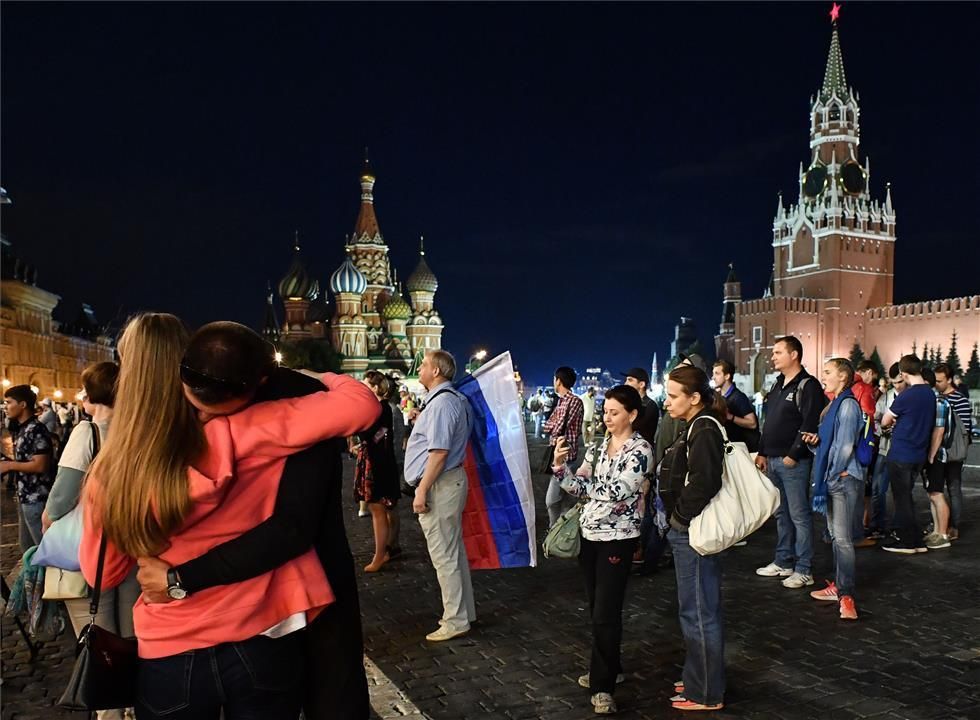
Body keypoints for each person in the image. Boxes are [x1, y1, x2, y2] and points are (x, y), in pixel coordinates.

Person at [80, 315, 379, 719]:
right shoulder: (250, 429)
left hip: (170, 649)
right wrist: (314, 374)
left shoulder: (112, 472)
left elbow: (103, 573)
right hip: (261, 637)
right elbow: (360, 405)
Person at [41, 362, 139, 720]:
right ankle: (134, 702)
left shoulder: (88, 432)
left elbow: (61, 497)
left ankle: (109, 707)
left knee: (98, 628)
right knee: (132, 630)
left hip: (96, 546)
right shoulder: (137, 430)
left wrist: (49, 528)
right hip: (134, 542)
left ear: (90, 395)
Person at [552, 385, 653, 716]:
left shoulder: (640, 450)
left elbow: (621, 490)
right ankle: (611, 666)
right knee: (598, 606)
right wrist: (560, 468)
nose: (607, 418)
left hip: (618, 537)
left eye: (615, 412)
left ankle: (603, 686)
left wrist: (588, 487)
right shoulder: (596, 448)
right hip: (589, 535)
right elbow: (576, 485)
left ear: (632, 415)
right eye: (605, 412)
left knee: (605, 612)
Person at [659, 365, 727, 712]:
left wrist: (679, 519)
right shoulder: (696, 425)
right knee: (695, 608)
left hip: (694, 531)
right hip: (689, 529)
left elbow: (705, 481)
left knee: (699, 611)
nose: (667, 402)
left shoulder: (703, 429)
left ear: (695, 398)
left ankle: (705, 693)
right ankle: (699, 676)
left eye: (673, 396)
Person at [404, 350, 475, 642]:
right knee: (453, 552)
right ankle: (464, 613)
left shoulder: (443, 404)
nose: (419, 369)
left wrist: (421, 490)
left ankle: (455, 620)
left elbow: (439, 453)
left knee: (444, 556)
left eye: (423, 365)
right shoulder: (449, 400)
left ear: (436, 372)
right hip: (448, 482)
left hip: (439, 485)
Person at [754, 336, 825, 589]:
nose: (773, 356)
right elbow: (768, 423)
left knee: (799, 515)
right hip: (772, 460)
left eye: (778, 352)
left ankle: (804, 568)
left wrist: (793, 454)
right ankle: (784, 561)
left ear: (794, 355)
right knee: (781, 514)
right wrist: (762, 452)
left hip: (792, 462)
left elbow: (809, 423)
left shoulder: (808, 385)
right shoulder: (778, 385)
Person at [802, 359, 863, 620]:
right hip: (831, 477)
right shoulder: (833, 405)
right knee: (836, 538)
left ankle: (846, 595)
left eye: (827, 372)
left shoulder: (847, 405)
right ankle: (838, 586)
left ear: (843, 376)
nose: (822, 376)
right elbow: (830, 444)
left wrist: (835, 473)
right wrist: (815, 443)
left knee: (843, 539)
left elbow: (846, 446)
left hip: (842, 478)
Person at [880, 355, 934, 554]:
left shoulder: (907, 395)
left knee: (902, 499)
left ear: (903, 373)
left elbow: (886, 420)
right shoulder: (930, 393)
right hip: (919, 454)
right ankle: (916, 540)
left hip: (901, 453)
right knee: (907, 498)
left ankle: (907, 542)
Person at [355, 370, 402, 572]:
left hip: (378, 464)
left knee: (378, 509)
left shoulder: (379, 408)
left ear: (375, 388)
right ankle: (389, 546)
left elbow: (370, 434)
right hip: (379, 462)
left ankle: (380, 555)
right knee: (385, 508)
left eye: (365, 385)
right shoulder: (383, 408)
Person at [1, 385, 54, 553]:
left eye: (9, 402)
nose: (6, 407)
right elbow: (25, 461)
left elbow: (40, 464)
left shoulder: (36, 429)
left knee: (43, 550)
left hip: (37, 498)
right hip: (25, 496)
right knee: (27, 548)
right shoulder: (22, 428)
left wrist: (9, 465)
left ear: (22, 404)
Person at [543, 367, 585, 526]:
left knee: (551, 500)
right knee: (565, 498)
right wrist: (552, 426)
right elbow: (548, 425)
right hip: (557, 455)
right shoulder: (561, 401)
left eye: (554, 379)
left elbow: (558, 426)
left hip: (566, 455)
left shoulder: (573, 401)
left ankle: (553, 531)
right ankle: (563, 534)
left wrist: (552, 426)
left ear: (558, 380)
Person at [935, 363, 972, 541]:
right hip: (938, 450)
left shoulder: (960, 399)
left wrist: (960, 450)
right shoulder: (936, 397)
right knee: (937, 490)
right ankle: (941, 524)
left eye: (940, 381)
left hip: (953, 452)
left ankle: (954, 526)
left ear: (949, 380)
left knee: (953, 489)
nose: (937, 384)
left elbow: (966, 429)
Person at [868, 364, 903, 538]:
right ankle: (878, 525)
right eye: (894, 382)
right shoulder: (886, 398)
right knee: (877, 489)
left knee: (901, 491)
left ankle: (898, 526)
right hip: (884, 448)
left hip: (903, 452)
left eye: (901, 381)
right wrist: (884, 428)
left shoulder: (911, 396)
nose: (898, 386)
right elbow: (876, 419)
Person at [920, 368, 953, 550]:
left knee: (937, 494)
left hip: (937, 455)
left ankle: (943, 534)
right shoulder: (934, 400)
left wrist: (932, 455)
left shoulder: (938, 401)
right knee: (932, 494)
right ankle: (937, 531)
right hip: (933, 454)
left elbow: (939, 430)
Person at [711, 359, 758, 452]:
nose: (713, 377)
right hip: (729, 450)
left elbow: (752, 423)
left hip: (742, 451)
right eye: (713, 374)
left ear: (727, 376)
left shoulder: (738, 397)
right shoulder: (719, 397)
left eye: (717, 373)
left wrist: (731, 417)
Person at [623, 368, 660, 447]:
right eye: (626, 380)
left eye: (630, 380)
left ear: (641, 384)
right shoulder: (629, 403)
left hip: (642, 451)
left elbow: (635, 428)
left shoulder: (650, 405)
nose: (625, 383)